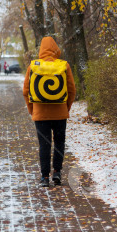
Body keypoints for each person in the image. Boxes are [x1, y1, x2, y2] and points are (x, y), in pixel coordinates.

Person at [22, 36, 76, 187]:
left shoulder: (33, 66)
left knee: (44, 145)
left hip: (40, 115)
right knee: (59, 142)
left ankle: (45, 177)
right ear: (55, 49)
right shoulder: (64, 65)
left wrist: (32, 110)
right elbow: (71, 90)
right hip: (60, 114)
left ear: (41, 50)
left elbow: (26, 91)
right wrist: (66, 108)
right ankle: (57, 172)